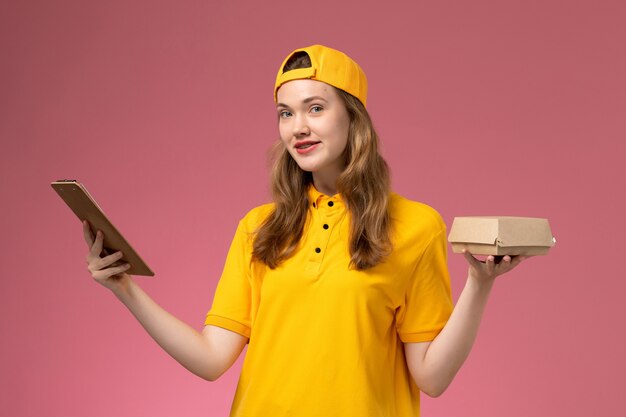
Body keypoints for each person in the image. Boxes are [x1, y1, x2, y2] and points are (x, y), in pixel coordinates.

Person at [83, 45, 525, 416]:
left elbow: (432, 378)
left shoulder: (416, 226)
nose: (298, 128)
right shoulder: (258, 228)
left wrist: (480, 284)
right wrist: (125, 289)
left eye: (315, 108)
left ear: (353, 118)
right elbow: (211, 359)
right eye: (285, 113)